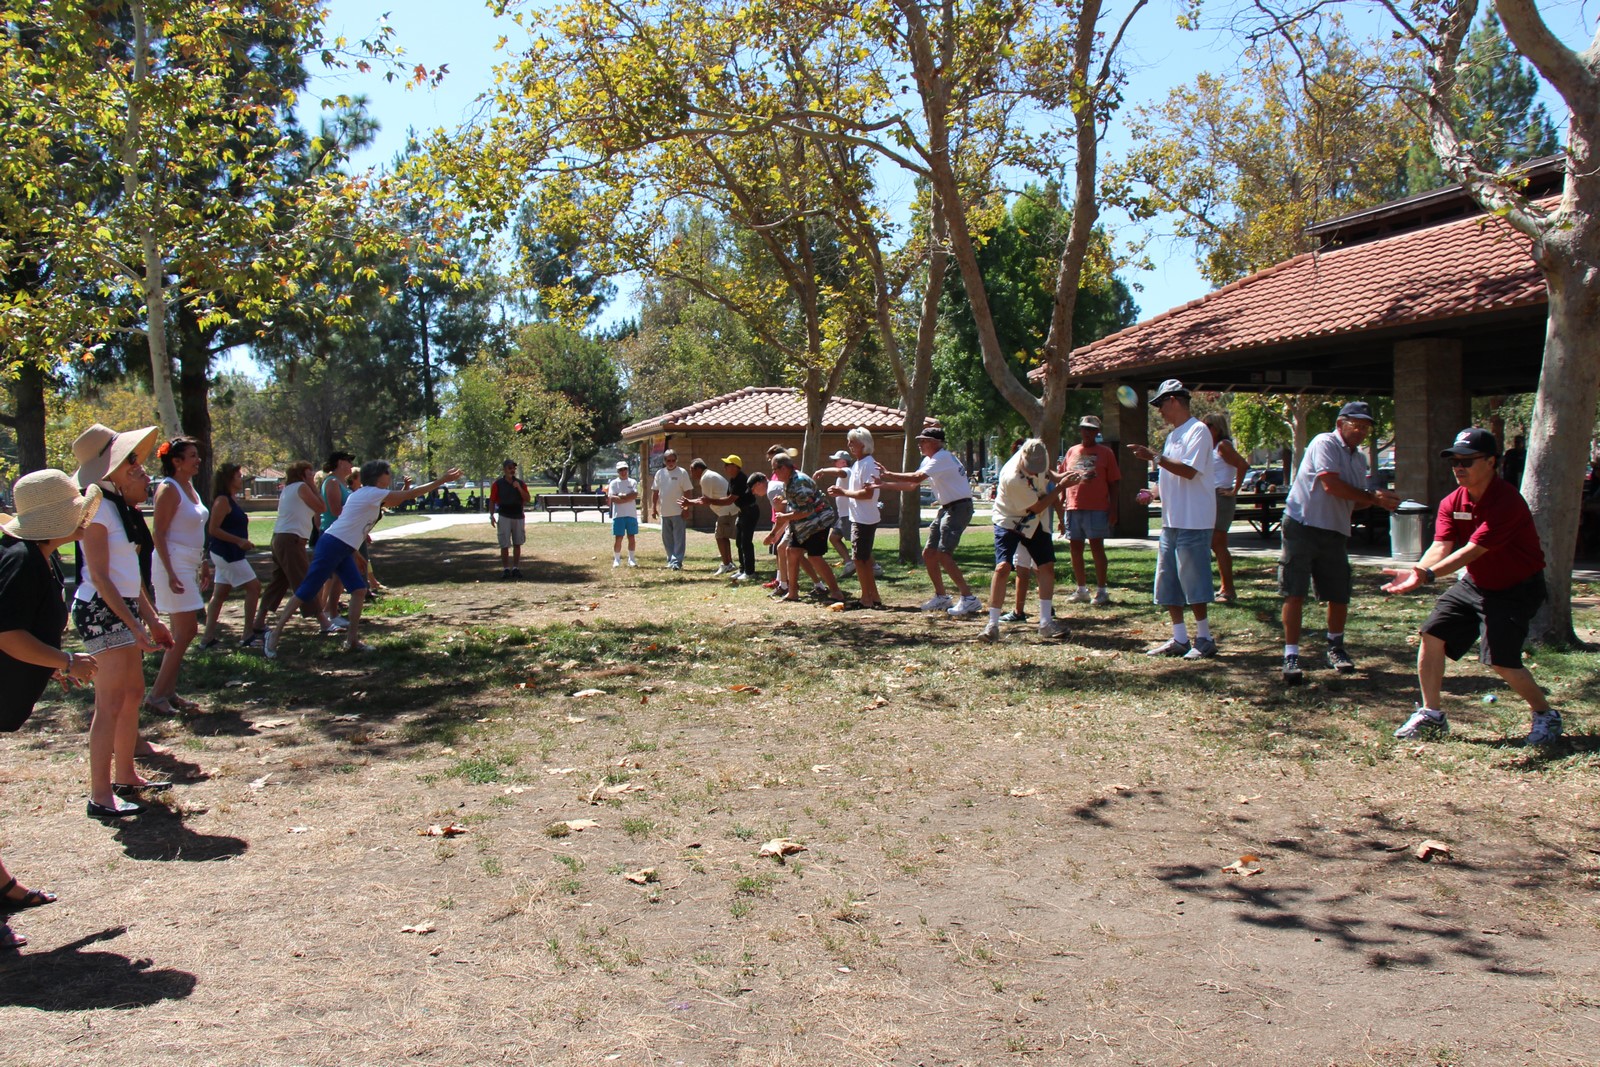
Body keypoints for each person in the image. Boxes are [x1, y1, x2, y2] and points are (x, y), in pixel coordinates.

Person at [1383, 428, 1563, 747]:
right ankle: (1431, 715)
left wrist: (1428, 576)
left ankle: (1545, 714)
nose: (1458, 467)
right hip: (1476, 583)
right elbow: (1442, 545)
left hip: (1516, 588)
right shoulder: (1452, 501)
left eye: (1467, 460)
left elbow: (1471, 551)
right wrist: (1419, 570)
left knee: (1501, 660)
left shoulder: (1506, 501)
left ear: (1491, 461)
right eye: (1454, 461)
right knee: (1432, 634)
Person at [0, 469, 103, 948]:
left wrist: (53, 666)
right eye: (76, 511)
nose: (84, 517)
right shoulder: (21, 560)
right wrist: (65, 660)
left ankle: (2, 888)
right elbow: (8, 636)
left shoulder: (38, 557)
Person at [71, 423, 174, 820]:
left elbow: (131, 578)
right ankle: (100, 795)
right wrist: (133, 627)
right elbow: (99, 576)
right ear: (107, 470)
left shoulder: (119, 509)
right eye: (129, 461)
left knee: (132, 693)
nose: (138, 467)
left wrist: (150, 619)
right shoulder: (95, 509)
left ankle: (126, 775)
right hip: (100, 609)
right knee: (110, 700)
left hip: (121, 608)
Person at [264, 462, 462, 659]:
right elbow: (408, 496)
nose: (390, 476)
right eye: (388, 473)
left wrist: (355, 553)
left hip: (343, 547)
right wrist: (442, 480)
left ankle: (352, 641)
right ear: (378, 476)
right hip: (332, 545)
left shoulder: (366, 494)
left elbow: (375, 512)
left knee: (358, 590)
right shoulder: (370, 492)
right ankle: (275, 634)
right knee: (307, 590)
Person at [1277, 402, 1401, 684]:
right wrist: (1372, 498)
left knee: (1339, 593)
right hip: (1302, 525)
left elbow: (1355, 501)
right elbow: (1331, 485)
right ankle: (1291, 654)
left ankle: (1335, 647)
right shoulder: (1324, 442)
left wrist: (1381, 500)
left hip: (1335, 531)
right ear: (1340, 423)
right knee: (1295, 591)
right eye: (1355, 425)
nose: (1360, 431)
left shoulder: (1359, 460)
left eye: (1365, 427)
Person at [1127, 380, 1218, 658]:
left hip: (1194, 521)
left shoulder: (1198, 432)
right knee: (1169, 582)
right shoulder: (1172, 436)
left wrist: (1153, 455)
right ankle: (1180, 639)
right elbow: (1170, 475)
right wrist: (1153, 492)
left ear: (1175, 400)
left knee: (1195, 581)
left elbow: (1189, 471)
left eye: (1161, 404)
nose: (1159, 411)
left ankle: (1204, 639)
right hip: (1171, 522)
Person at [874, 427, 982, 617]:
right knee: (930, 553)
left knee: (943, 553)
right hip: (947, 508)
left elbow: (916, 477)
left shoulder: (943, 458)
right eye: (920, 440)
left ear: (936, 442)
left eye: (924, 441)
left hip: (959, 508)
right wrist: (884, 485)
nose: (920, 444)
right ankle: (941, 597)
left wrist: (888, 474)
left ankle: (969, 599)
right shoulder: (930, 460)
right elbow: (911, 485)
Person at [979, 439, 1079, 641]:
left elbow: (1047, 474)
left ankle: (1045, 623)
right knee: (1003, 567)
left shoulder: (1038, 454)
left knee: (1046, 566)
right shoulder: (1012, 477)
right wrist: (1061, 487)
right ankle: (992, 625)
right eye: (1031, 469)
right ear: (1022, 457)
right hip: (1009, 519)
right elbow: (1038, 507)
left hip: (1036, 522)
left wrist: (1059, 476)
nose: (1035, 472)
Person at [147, 436, 210, 714]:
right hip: (171, 562)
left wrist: (203, 561)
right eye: (192, 456)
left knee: (182, 632)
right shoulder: (169, 488)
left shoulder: (189, 486)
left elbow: (195, 526)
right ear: (176, 462)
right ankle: (157, 695)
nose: (198, 460)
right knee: (186, 631)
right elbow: (158, 532)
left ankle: (167, 692)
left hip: (189, 562)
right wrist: (171, 572)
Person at [253, 460, 336, 638]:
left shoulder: (288, 489)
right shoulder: (301, 487)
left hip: (280, 539)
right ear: (301, 474)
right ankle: (323, 621)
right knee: (305, 580)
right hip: (291, 540)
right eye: (309, 472)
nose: (313, 474)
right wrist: (312, 485)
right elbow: (321, 507)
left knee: (278, 582)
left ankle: (259, 621)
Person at [769, 453, 846, 603]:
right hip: (803, 524)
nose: (774, 473)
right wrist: (784, 502)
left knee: (814, 557)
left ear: (784, 468)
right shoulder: (790, 481)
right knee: (791, 551)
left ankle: (837, 593)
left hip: (818, 522)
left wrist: (785, 517)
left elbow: (807, 511)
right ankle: (792, 593)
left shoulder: (799, 482)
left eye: (775, 469)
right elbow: (799, 503)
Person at [199, 463, 262, 648]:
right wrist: (238, 540)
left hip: (231, 552)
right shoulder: (222, 501)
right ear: (228, 479)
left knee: (220, 594)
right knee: (254, 587)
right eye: (238, 476)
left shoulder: (231, 500)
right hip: (226, 553)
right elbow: (213, 529)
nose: (241, 479)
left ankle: (207, 639)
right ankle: (247, 634)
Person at [1061, 415, 1121, 607]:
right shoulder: (1072, 451)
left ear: (1097, 432)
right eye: (1084, 428)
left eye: (1091, 429)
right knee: (1075, 549)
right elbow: (1063, 477)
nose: (1087, 432)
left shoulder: (1106, 453)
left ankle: (1102, 590)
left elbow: (1114, 483)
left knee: (1097, 548)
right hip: (1073, 506)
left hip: (1097, 508)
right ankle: (1081, 589)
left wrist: (1113, 509)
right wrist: (1062, 500)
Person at [826, 428, 885, 608]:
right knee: (863, 559)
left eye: (853, 442)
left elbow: (868, 494)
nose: (849, 445)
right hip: (857, 517)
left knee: (860, 560)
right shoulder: (859, 464)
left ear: (864, 444)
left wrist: (843, 492)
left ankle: (866, 599)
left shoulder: (868, 464)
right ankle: (872, 596)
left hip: (865, 518)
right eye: (849, 441)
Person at [1201, 413, 1251, 604]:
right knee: (1213, 543)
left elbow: (1243, 465)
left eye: (1208, 425)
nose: (1204, 428)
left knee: (1219, 543)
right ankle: (1222, 587)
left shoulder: (1223, 446)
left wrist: (1234, 490)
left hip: (1221, 498)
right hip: (1210, 498)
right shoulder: (1211, 447)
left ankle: (1228, 589)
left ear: (1217, 427)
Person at [685, 455, 760, 580]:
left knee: (745, 542)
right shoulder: (733, 480)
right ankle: (743, 570)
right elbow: (721, 499)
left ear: (736, 467)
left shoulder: (740, 479)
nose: (725, 467)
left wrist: (702, 501)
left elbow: (728, 500)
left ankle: (749, 572)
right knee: (739, 542)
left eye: (728, 465)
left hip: (749, 511)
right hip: (741, 511)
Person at [690, 459, 737, 574]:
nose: (691, 474)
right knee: (723, 537)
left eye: (692, 471)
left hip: (726, 511)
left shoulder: (706, 478)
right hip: (729, 510)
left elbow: (705, 501)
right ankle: (729, 563)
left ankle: (726, 564)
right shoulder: (709, 475)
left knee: (719, 536)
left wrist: (688, 502)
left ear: (698, 469)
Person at [651, 449, 694, 571]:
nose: (671, 462)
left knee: (679, 538)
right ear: (664, 461)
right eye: (668, 460)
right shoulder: (660, 473)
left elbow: (687, 491)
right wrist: (654, 508)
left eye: (673, 460)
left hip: (678, 512)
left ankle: (677, 561)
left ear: (676, 460)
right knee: (667, 538)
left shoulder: (682, 473)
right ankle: (670, 559)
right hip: (665, 512)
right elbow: (655, 492)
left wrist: (686, 508)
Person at [489, 459, 531, 579]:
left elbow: (527, 498)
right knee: (504, 544)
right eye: (509, 468)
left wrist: (519, 488)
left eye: (513, 468)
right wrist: (491, 515)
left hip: (518, 516)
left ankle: (516, 568)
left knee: (517, 543)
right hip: (504, 516)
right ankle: (506, 569)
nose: (512, 470)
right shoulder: (498, 484)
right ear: (504, 469)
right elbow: (492, 500)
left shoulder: (520, 483)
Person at [607, 460, 639, 568]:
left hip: (631, 515)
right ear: (617, 471)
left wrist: (621, 497)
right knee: (619, 537)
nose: (623, 471)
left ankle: (632, 559)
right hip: (618, 515)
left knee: (631, 537)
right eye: (621, 470)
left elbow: (634, 495)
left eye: (625, 469)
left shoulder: (633, 482)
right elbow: (612, 498)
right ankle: (617, 559)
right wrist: (626, 497)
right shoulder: (614, 483)